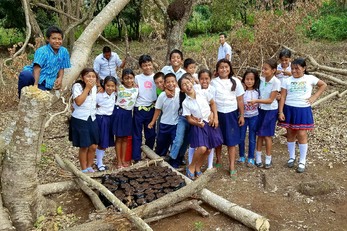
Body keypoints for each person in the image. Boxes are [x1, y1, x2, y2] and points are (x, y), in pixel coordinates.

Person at [278, 58, 327, 173]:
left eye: (297, 69)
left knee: (301, 133)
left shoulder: (309, 78)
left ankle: (302, 161)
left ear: (304, 69)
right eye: (293, 68)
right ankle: (291, 157)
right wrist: (281, 111)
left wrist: (314, 97)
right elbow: (283, 96)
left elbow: (323, 85)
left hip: (303, 109)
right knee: (290, 132)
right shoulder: (287, 80)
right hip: (289, 108)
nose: (294, 71)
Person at [179, 75, 223, 180]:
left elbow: (213, 103)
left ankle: (198, 167)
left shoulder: (203, 93)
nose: (187, 85)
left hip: (210, 123)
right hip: (198, 126)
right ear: (182, 89)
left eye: (188, 82)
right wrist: (197, 123)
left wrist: (215, 116)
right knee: (202, 148)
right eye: (184, 85)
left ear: (192, 82)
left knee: (208, 150)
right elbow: (189, 119)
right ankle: (191, 166)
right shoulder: (186, 103)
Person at [211, 59, 245, 178]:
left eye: (226, 67)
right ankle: (218, 160)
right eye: (221, 67)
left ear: (230, 68)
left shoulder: (235, 81)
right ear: (217, 70)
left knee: (232, 141)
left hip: (231, 114)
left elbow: (240, 99)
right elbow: (212, 100)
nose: (224, 69)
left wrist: (242, 115)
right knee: (218, 139)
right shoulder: (213, 82)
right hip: (218, 114)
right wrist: (213, 116)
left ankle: (231, 166)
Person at [18, 26, 70, 98]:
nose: (57, 41)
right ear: (48, 39)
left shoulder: (64, 51)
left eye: (59, 39)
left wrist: (60, 78)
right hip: (34, 78)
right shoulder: (42, 51)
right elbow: (37, 68)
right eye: (54, 38)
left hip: (47, 82)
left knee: (38, 99)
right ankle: (21, 98)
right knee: (25, 74)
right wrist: (35, 86)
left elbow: (61, 66)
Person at [248, 59, 281, 169]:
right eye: (263, 68)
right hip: (260, 110)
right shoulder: (261, 79)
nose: (263, 70)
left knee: (267, 135)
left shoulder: (276, 82)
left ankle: (268, 158)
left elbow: (271, 100)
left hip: (270, 110)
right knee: (260, 134)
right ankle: (258, 157)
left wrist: (256, 101)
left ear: (273, 70)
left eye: (266, 69)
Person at [70, 68, 99, 173]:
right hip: (80, 119)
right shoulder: (77, 86)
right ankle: (84, 169)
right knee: (84, 145)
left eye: (93, 76)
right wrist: (87, 88)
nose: (91, 78)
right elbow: (78, 102)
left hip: (92, 117)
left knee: (93, 145)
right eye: (88, 76)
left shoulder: (95, 87)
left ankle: (89, 166)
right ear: (82, 77)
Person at [132, 55, 157, 162]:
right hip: (139, 108)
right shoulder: (137, 78)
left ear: (152, 64)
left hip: (151, 108)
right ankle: (136, 157)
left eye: (149, 65)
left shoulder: (156, 77)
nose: (147, 67)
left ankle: (149, 154)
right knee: (137, 134)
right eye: (144, 65)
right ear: (141, 67)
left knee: (151, 134)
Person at [112, 68, 139, 168]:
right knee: (119, 138)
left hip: (128, 114)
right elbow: (106, 84)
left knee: (125, 138)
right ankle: (118, 161)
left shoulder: (136, 89)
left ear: (134, 78)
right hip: (119, 112)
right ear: (122, 79)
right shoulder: (119, 87)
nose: (129, 80)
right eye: (126, 78)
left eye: (131, 78)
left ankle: (124, 160)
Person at [148, 73, 180, 156]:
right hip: (164, 122)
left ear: (176, 82)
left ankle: (174, 160)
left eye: (173, 81)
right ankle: (160, 157)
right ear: (165, 84)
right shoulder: (162, 95)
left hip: (176, 123)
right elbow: (157, 109)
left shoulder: (180, 93)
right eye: (168, 82)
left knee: (175, 141)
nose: (170, 84)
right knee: (161, 141)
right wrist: (152, 122)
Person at [238, 69, 260, 167]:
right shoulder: (241, 92)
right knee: (241, 137)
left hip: (254, 116)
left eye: (252, 79)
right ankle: (241, 155)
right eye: (247, 79)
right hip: (243, 117)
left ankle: (251, 157)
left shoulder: (258, 91)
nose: (249, 81)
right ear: (244, 80)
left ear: (255, 80)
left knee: (252, 138)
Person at [95, 76, 117, 171]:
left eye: (113, 86)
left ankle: (98, 160)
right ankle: (99, 163)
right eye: (108, 85)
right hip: (101, 119)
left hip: (109, 119)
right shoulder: (99, 95)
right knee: (102, 142)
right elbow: (92, 104)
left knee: (105, 141)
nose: (110, 88)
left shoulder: (114, 94)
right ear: (104, 85)